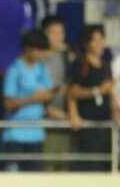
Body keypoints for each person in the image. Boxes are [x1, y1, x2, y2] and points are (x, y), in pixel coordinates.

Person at [67, 25, 118, 171]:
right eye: (95, 40)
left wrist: (115, 108)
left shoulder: (106, 66)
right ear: (87, 43)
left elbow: (109, 90)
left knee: (106, 165)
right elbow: (72, 93)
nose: (100, 44)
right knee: (88, 166)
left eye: (102, 40)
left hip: (105, 125)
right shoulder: (80, 64)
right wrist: (97, 91)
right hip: (86, 125)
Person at [2, 29, 53, 171]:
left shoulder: (42, 69)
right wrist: (33, 99)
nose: (43, 54)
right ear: (29, 49)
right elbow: (8, 103)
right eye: (40, 50)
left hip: (36, 135)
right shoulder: (14, 70)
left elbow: (49, 93)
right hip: (16, 136)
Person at [41, 15, 72, 171]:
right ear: (44, 34)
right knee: (47, 171)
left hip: (66, 124)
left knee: (65, 173)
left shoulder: (68, 57)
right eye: (54, 32)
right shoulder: (38, 60)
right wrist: (49, 111)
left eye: (61, 33)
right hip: (45, 125)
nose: (58, 37)